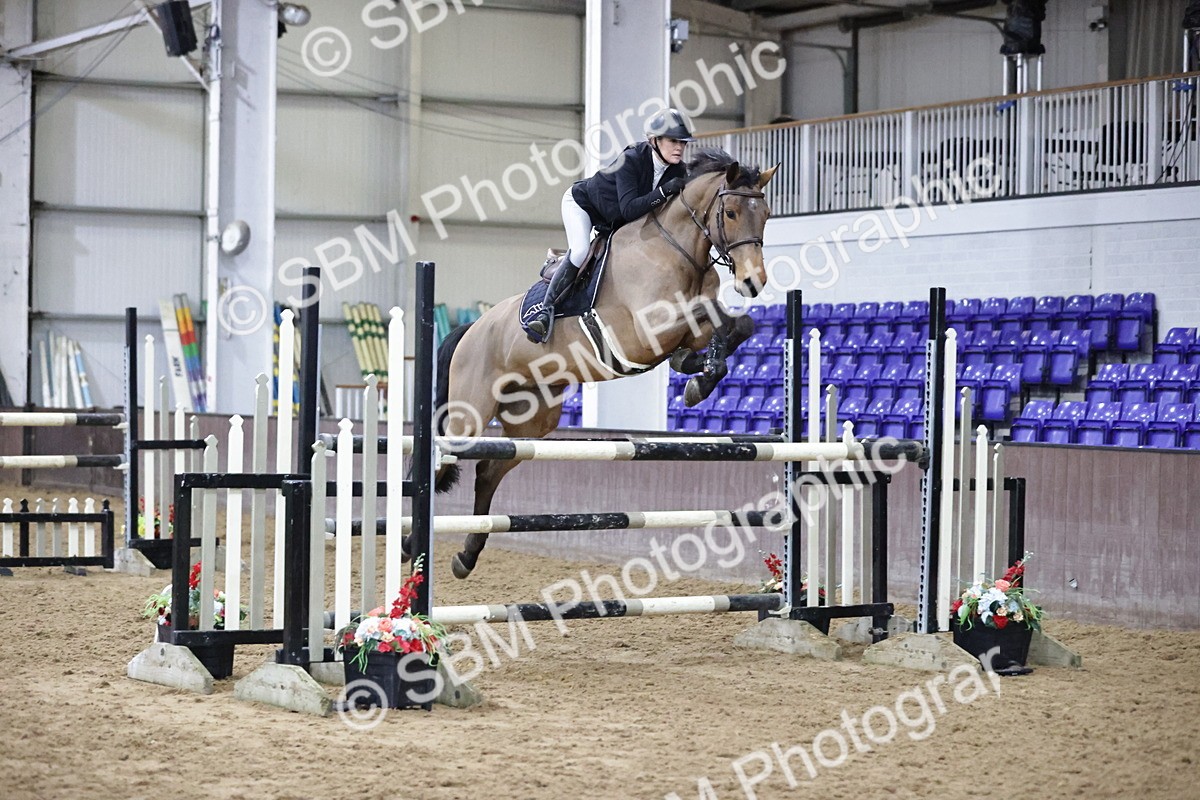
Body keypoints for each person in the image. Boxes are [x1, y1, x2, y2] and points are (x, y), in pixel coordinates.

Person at [526, 107, 695, 342]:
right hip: (582, 205)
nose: (679, 147)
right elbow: (629, 208)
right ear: (654, 140)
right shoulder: (632, 159)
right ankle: (545, 312)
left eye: (683, 143)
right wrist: (665, 191)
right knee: (581, 251)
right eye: (673, 141)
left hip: (614, 222)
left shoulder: (678, 170)